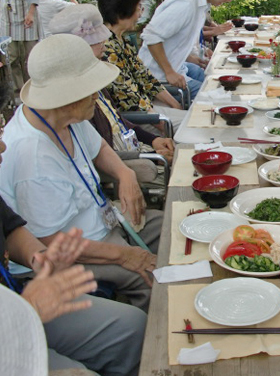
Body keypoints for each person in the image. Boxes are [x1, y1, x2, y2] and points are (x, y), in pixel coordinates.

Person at [0, 34, 161, 311]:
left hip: (103, 225)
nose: (98, 95)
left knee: (170, 227)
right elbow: (52, 242)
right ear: (68, 97)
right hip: (74, 255)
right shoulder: (32, 155)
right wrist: (124, 255)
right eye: (91, 89)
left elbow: (98, 147)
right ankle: (156, 342)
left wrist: (125, 174)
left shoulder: (65, 116)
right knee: (152, 281)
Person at [0, 88, 146, 374]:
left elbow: (11, 227)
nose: (3, 146)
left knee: (133, 326)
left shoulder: (71, 123)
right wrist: (24, 311)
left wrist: (40, 259)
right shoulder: (30, 152)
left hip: (19, 302)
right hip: (10, 329)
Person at [48, 3, 175, 165]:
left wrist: (154, 140)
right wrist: (154, 155)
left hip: (133, 145)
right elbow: (99, 151)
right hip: (122, 160)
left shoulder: (97, 71)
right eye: (96, 42)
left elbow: (118, 119)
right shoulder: (74, 95)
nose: (103, 44)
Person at [138, 0, 249, 98]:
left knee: (216, 79)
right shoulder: (186, 2)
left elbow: (177, 36)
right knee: (220, 97)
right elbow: (151, 36)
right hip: (158, 79)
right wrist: (169, 72)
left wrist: (189, 57)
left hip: (177, 68)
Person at [96, 0, 186, 131]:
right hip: (136, 119)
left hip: (147, 109)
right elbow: (126, 97)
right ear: (124, 9)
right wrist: (159, 123)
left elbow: (146, 77)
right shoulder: (107, 48)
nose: (140, 14)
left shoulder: (121, 40)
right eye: (139, 7)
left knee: (192, 119)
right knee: (192, 126)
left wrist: (174, 104)